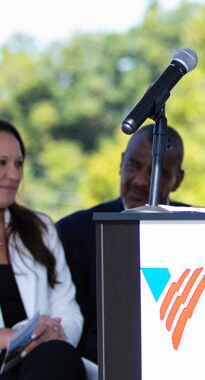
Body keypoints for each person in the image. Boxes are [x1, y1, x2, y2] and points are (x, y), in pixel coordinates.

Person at [56, 124, 185, 363]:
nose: (141, 181)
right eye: (133, 166)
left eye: (158, 172)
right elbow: (76, 325)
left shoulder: (199, 230)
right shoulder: (74, 232)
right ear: (121, 163)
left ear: (178, 179)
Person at [0, 120, 86, 380]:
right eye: (2, 163)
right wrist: (9, 336)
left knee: (57, 356)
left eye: (19, 163)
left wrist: (55, 334)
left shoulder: (40, 228)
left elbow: (68, 309)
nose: (14, 175)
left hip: (42, 363)